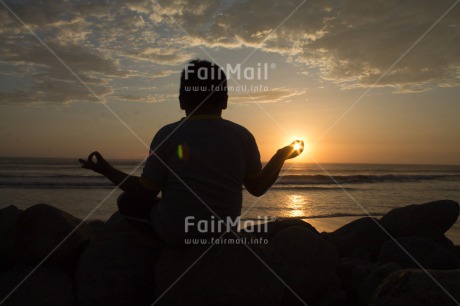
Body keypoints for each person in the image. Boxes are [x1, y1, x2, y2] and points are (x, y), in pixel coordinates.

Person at [79, 59, 303, 245]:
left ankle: (160, 250)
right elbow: (257, 187)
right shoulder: (243, 135)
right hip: (222, 232)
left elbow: (146, 191)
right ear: (225, 101)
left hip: (177, 233)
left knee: (127, 201)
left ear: (181, 101)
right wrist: (281, 155)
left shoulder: (168, 134)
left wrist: (106, 170)